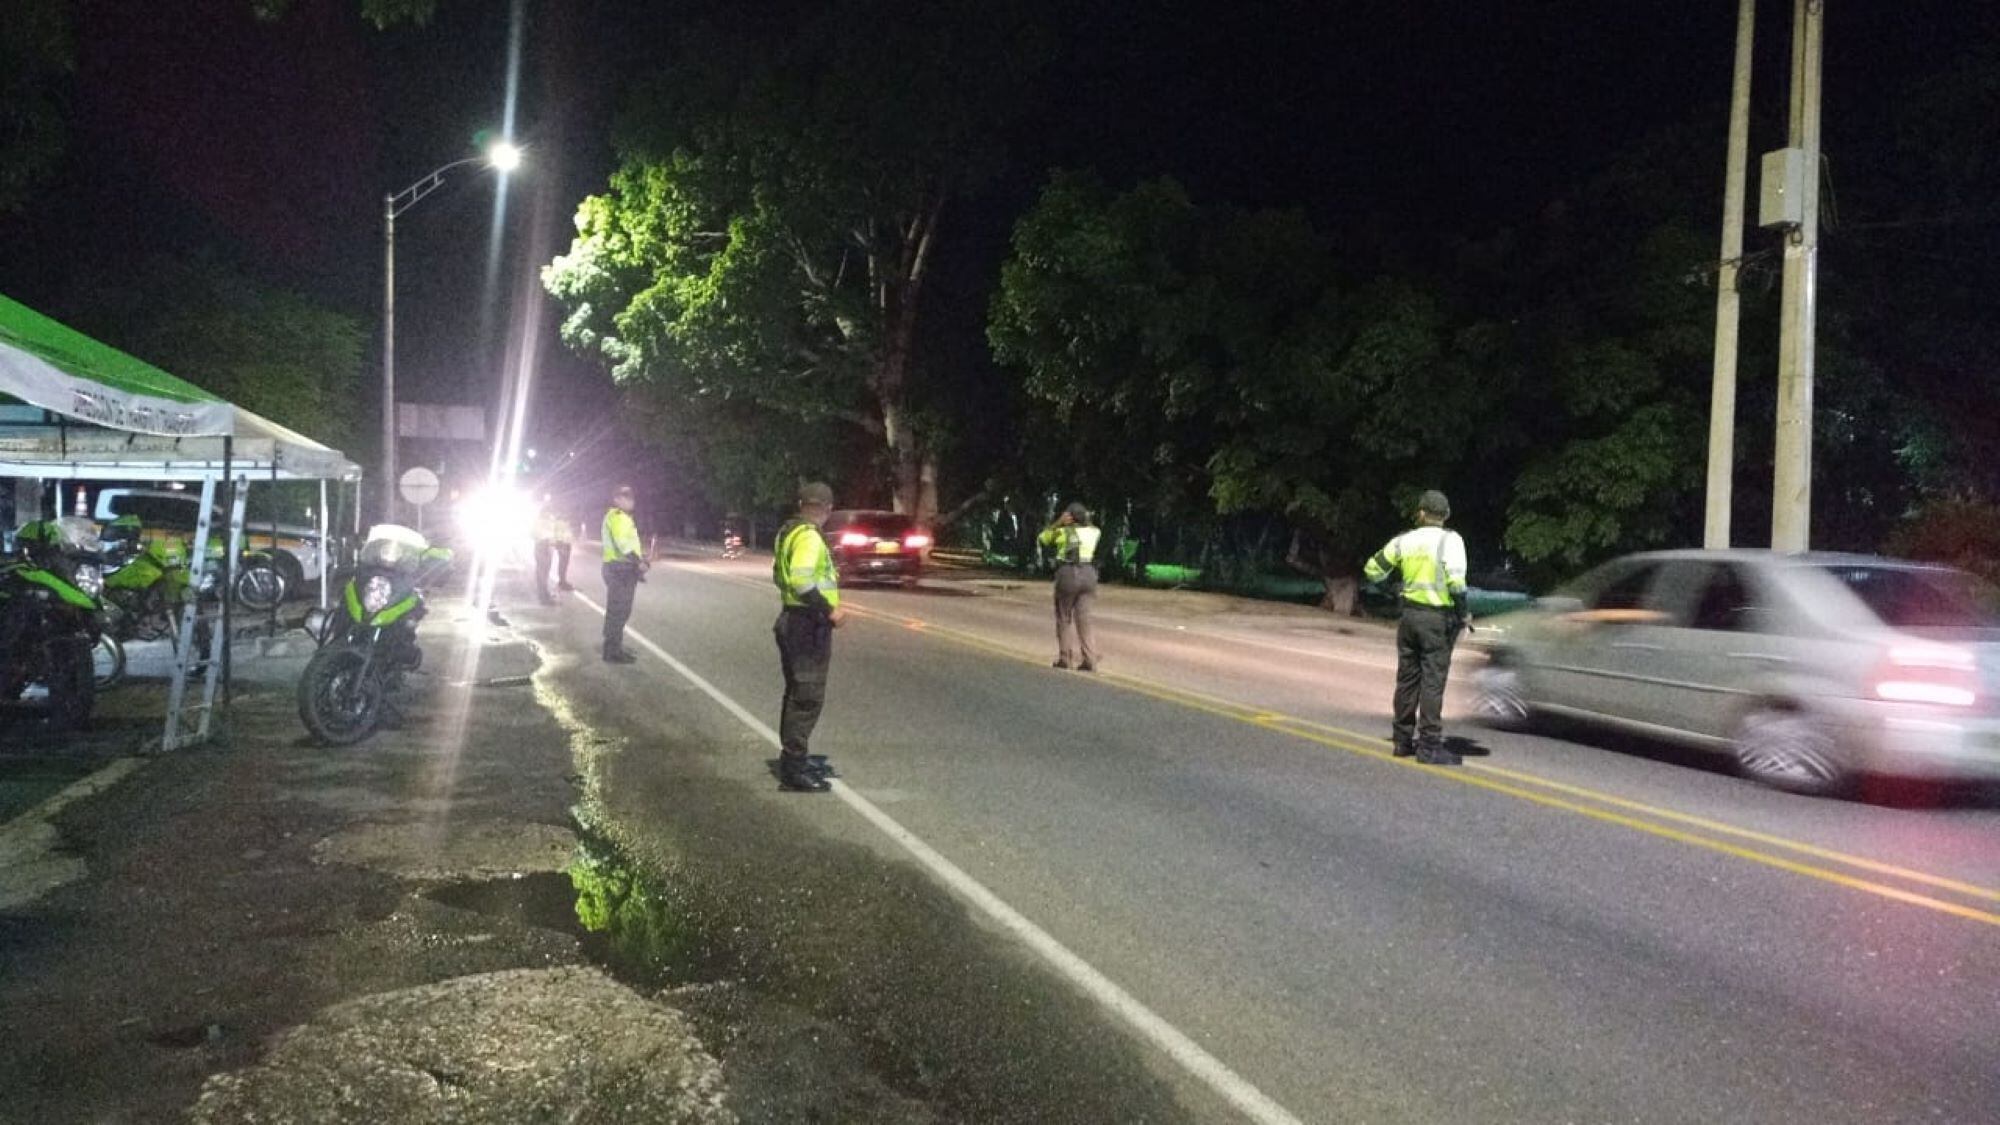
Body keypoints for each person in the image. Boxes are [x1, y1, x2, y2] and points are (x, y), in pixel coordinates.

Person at [1363, 490, 1472, 765]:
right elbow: (1456, 583)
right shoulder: (1451, 541)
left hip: (1409, 617)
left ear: (1421, 513)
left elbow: (1372, 570)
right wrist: (1464, 614)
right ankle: (1429, 746)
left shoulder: (1404, 541)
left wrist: (1392, 590)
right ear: (1445, 516)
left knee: (1407, 680)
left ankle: (1401, 741)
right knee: (1432, 683)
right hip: (1437, 620)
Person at [771, 481, 845, 792]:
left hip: (792, 619)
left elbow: (779, 575)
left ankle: (793, 758)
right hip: (806, 624)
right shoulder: (810, 538)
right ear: (827, 509)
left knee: (797, 694)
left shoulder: (789, 532)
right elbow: (802, 580)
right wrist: (828, 610)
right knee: (807, 697)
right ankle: (794, 769)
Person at [1038, 502, 1102, 671]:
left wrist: (1058, 522)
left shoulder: (1062, 532)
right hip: (1089, 573)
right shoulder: (1095, 532)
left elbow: (1043, 539)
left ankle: (1065, 658)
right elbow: (1091, 527)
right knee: (1084, 619)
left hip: (1068, 572)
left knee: (1064, 616)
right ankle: (1090, 659)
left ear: (1069, 517)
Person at [600, 484, 647, 663]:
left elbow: (629, 543)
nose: (630, 500)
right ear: (616, 499)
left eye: (631, 497)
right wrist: (639, 562)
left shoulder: (622, 517)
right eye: (625, 497)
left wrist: (639, 559)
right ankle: (612, 651)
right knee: (618, 610)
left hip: (621, 569)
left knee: (620, 610)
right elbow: (623, 545)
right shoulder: (618, 517)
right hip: (618, 569)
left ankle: (614, 646)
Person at [532, 496, 575, 605]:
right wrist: (545, 540)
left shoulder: (551, 519)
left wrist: (556, 543)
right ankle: (543, 597)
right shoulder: (539, 520)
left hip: (548, 547)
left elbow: (553, 534)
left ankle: (545, 594)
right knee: (542, 572)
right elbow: (534, 533)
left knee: (545, 571)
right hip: (542, 546)